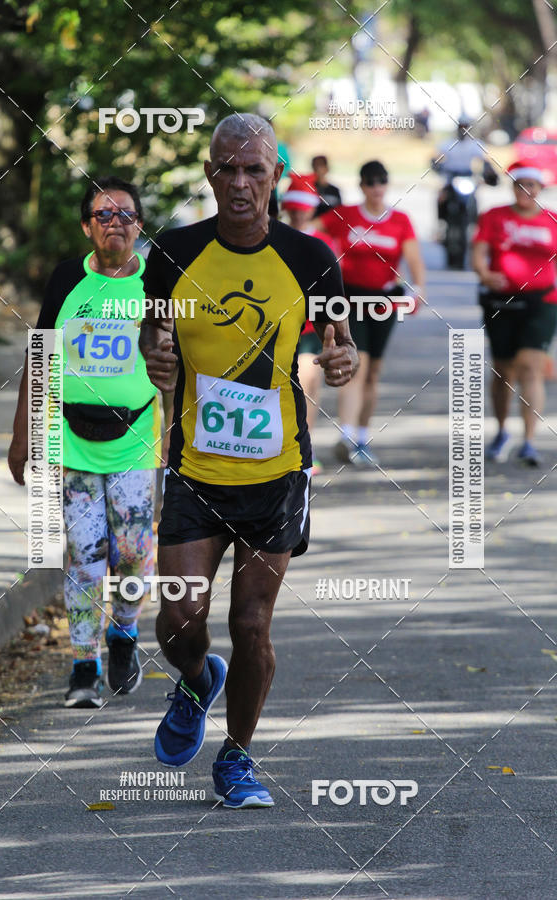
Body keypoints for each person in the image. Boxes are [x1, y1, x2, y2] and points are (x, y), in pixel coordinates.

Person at [140, 113, 357, 808]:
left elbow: (340, 337)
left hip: (278, 471)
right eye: (226, 169)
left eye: (253, 170)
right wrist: (156, 355)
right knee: (177, 622)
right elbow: (155, 338)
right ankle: (197, 678)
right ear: (209, 174)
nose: (239, 183)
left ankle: (236, 758)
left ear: (276, 178)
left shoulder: (311, 257)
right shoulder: (171, 253)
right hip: (195, 468)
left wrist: (342, 356)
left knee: (253, 623)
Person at [8, 176, 162, 708]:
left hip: (136, 437)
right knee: (85, 556)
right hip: (71, 438)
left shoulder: (158, 280)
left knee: (134, 551)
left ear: (139, 225)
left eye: (125, 213)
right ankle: (83, 667)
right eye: (103, 214)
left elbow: (183, 357)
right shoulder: (66, 279)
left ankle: (124, 632)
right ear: (86, 226)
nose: (115, 221)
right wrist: (22, 433)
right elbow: (41, 355)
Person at [318, 160, 425, 465]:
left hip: (384, 302)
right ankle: (347, 435)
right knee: (357, 364)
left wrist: (418, 288)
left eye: (381, 182)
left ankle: (362, 436)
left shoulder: (400, 220)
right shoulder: (346, 216)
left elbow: (413, 258)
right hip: (350, 300)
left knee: (373, 372)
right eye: (370, 182)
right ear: (362, 186)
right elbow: (311, 233)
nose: (376, 188)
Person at [472, 160, 557, 466]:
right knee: (503, 370)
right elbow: (479, 250)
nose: (525, 191)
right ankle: (502, 431)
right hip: (500, 302)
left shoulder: (551, 220)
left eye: (531, 185)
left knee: (530, 365)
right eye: (520, 185)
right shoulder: (494, 216)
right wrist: (483, 273)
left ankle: (530, 440)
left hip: (542, 302)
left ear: (540, 189)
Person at [282, 174, 336, 474]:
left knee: (309, 383)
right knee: (291, 386)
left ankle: (305, 446)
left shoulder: (323, 242)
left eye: (303, 208)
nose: (299, 213)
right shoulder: (273, 238)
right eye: (293, 208)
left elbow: (333, 287)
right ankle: (286, 444)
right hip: (279, 325)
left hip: (313, 325)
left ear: (312, 209)